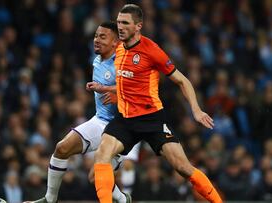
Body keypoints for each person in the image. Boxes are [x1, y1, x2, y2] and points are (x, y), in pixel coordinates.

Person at [93, 4, 222, 203]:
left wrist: (196, 110)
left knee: (183, 168)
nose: (120, 27)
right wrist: (109, 90)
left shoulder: (152, 50)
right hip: (125, 119)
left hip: (151, 118)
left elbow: (182, 80)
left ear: (138, 26)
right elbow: (128, 81)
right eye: (118, 22)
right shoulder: (118, 48)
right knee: (102, 155)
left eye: (125, 23)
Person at [25, 21, 138, 203]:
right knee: (61, 149)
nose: (96, 40)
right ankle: (49, 199)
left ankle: (123, 200)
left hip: (122, 128)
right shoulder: (96, 60)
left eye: (103, 37)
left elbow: (140, 90)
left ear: (115, 42)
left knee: (95, 177)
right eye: (96, 36)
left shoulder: (123, 62)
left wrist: (115, 93)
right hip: (101, 120)